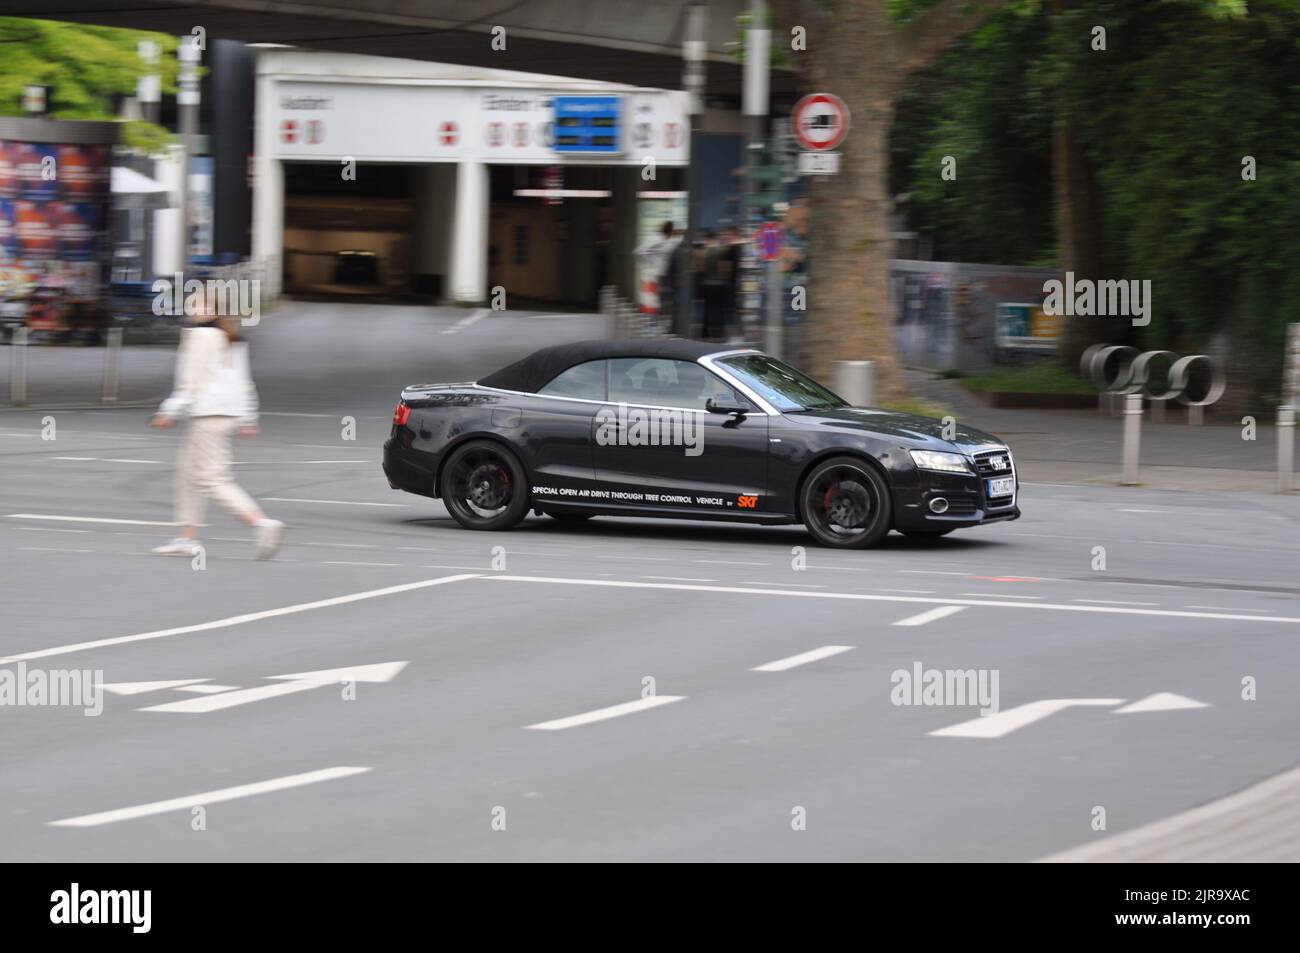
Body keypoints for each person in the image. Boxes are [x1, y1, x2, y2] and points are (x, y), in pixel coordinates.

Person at [150, 296, 285, 559]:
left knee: (212, 479)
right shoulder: (231, 337)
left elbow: (190, 384)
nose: (194, 309)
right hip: (225, 415)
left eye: (201, 306)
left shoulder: (199, 337)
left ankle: (261, 523)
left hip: (207, 415)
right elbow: (244, 382)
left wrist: (169, 411)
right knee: (189, 473)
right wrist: (248, 417)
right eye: (192, 304)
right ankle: (186, 538)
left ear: (213, 311)